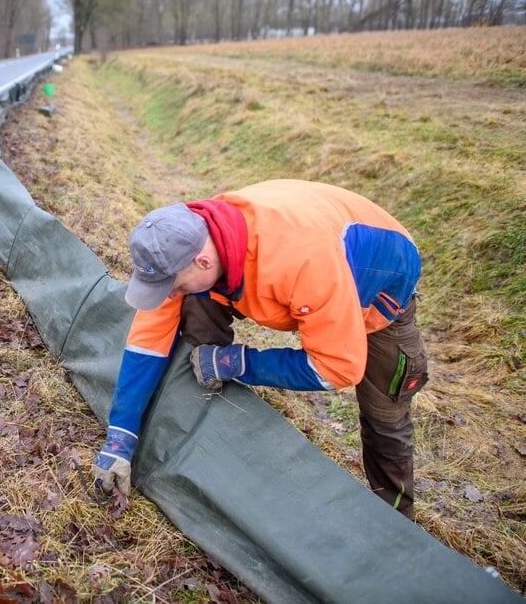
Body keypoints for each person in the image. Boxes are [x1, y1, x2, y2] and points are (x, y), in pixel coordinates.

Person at [91, 179, 429, 518]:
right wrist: (120, 436)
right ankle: (200, 419)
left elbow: (337, 367)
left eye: (172, 286)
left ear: (204, 262)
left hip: (378, 289)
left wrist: (236, 363)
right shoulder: (187, 240)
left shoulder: (302, 262)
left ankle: (396, 522)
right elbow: (149, 341)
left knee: (384, 417)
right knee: (193, 302)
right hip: (306, 253)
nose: (168, 295)